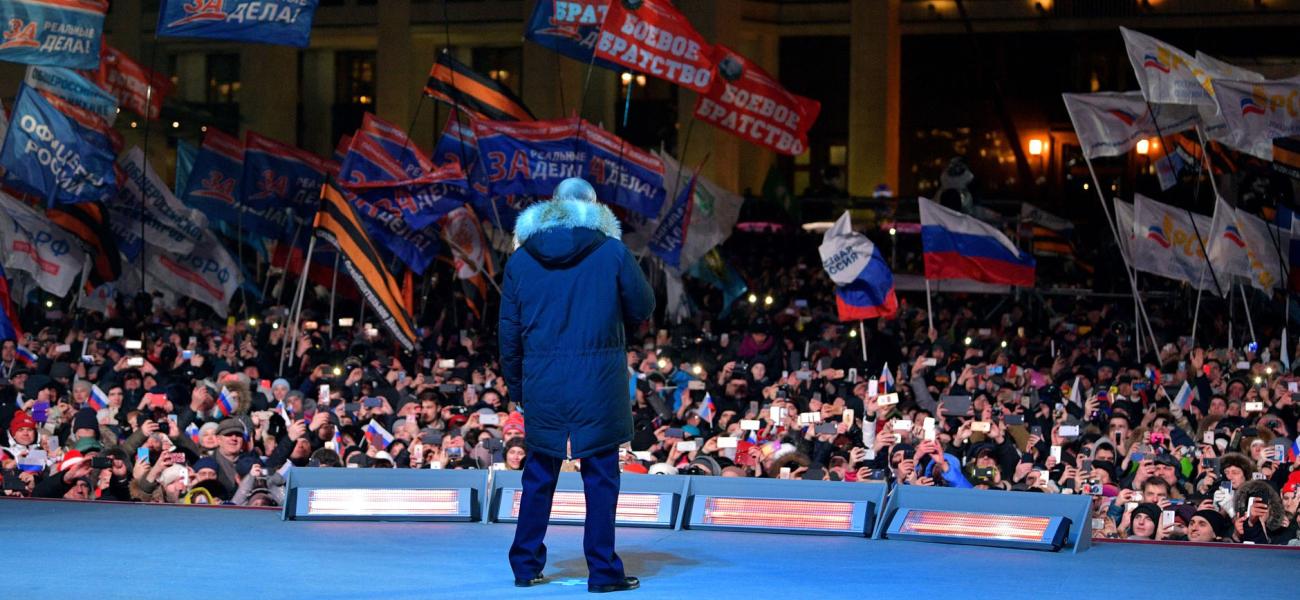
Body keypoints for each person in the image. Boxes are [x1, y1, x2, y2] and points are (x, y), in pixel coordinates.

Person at [499, 178, 654, 593]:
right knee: (601, 478)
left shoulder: (520, 259)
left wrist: (517, 388)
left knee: (538, 476)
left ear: (554, 206)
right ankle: (603, 573)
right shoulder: (612, 251)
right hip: (598, 383)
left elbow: (508, 334)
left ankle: (525, 565)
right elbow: (643, 306)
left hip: (544, 383)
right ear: (593, 206)